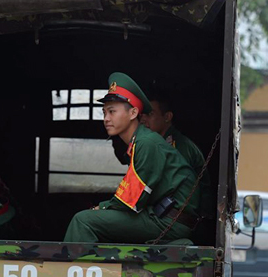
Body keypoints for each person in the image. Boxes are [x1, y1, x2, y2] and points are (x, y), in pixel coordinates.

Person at [64, 72, 201, 243]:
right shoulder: (139, 142)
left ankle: (76, 268)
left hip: (168, 221)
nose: (106, 119)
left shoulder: (147, 143)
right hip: (160, 216)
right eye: (104, 112)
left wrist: (103, 207)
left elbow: (131, 200)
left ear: (133, 113)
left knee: (83, 221)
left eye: (112, 112)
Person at [141, 92, 213, 216]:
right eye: (142, 114)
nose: (143, 119)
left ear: (167, 117)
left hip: (184, 216)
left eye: (150, 114)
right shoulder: (157, 143)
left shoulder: (179, 146)